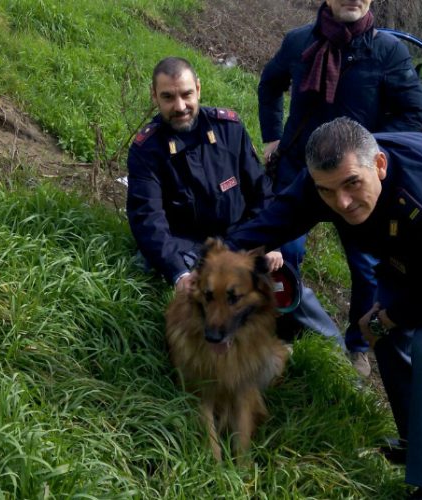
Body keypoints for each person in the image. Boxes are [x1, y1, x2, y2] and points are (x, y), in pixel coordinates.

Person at [227, 117, 422, 499]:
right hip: (412, 250)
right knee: (383, 336)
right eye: (327, 191)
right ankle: (417, 442)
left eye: (352, 184)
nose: (342, 203)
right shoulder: (327, 178)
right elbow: (276, 220)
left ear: (380, 165)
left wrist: (390, 315)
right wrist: (213, 259)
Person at [258, 0, 422, 376]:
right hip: (299, 174)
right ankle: (286, 331)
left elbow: (413, 112)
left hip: (354, 184)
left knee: (366, 267)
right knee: (282, 257)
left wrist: (370, 154)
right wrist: (272, 136)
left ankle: (357, 345)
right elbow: (270, 84)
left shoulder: (386, 51)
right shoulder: (299, 42)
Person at [126, 56, 345, 348]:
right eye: (168, 97)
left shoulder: (228, 128)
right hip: (189, 245)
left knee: (289, 288)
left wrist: (271, 242)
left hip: (241, 236)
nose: (179, 106)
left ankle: (337, 352)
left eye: (186, 94)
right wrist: (178, 272)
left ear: (199, 90)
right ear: (154, 97)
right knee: (203, 291)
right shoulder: (147, 149)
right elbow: (147, 219)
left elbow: (261, 190)